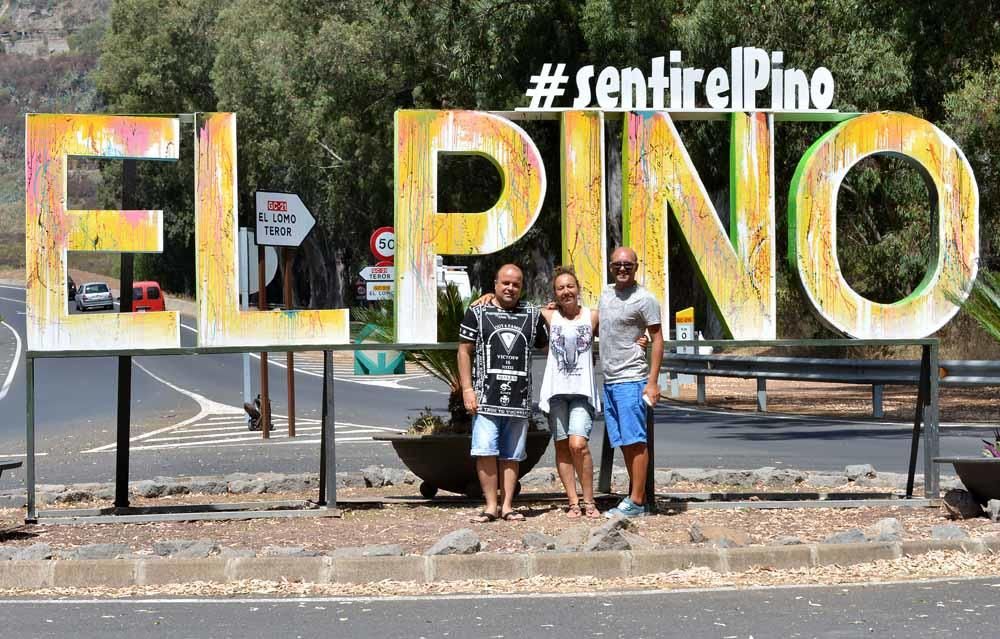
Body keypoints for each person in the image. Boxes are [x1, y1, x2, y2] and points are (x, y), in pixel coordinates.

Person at [457, 264, 547, 523]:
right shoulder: (478, 310)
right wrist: (467, 390)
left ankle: (507, 506)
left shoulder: (532, 314)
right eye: (505, 283)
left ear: (522, 287)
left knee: (512, 455)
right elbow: (464, 350)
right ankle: (490, 506)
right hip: (485, 398)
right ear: (495, 284)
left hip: (518, 399)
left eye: (516, 284)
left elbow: (549, 342)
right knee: (485, 451)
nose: (510, 288)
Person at [600, 247, 664, 518]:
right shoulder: (605, 293)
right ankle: (633, 497)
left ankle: (637, 501)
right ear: (611, 267)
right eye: (617, 265)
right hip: (610, 380)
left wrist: (652, 382)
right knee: (625, 442)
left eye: (628, 265)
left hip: (632, 379)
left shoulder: (645, 299)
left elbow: (658, 339)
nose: (622, 269)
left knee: (636, 441)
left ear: (636, 267)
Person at [537, 267, 603, 518]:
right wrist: (487, 296)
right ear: (554, 293)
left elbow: (618, 331)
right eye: (560, 288)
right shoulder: (549, 315)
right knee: (562, 446)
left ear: (579, 289)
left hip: (582, 392)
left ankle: (589, 500)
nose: (566, 291)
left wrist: (641, 339)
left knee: (578, 444)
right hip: (556, 392)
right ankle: (573, 501)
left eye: (570, 286)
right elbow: (516, 306)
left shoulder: (592, 316)